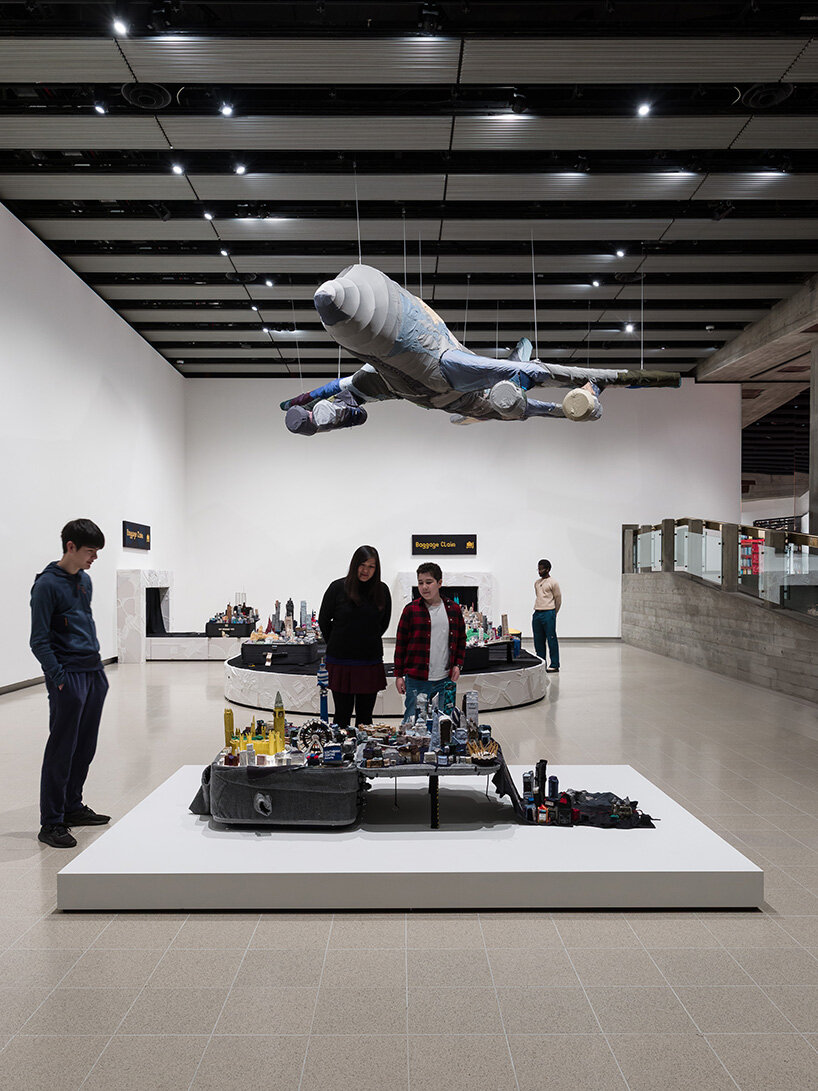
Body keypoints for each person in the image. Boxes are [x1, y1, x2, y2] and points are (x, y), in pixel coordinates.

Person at [30, 519, 111, 848]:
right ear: (71, 547)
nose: (94, 558)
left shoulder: (85, 581)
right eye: (91, 551)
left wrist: (98, 670)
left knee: (85, 746)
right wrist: (60, 678)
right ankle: (51, 822)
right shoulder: (46, 586)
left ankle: (72, 807)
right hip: (69, 676)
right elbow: (38, 641)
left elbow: (82, 624)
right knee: (62, 748)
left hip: (93, 671)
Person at [318, 545, 392, 729]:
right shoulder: (337, 588)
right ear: (354, 564)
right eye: (362, 564)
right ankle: (339, 755)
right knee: (341, 716)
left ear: (377, 569)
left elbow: (383, 624)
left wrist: (365, 639)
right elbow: (323, 620)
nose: (365, 570)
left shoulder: (382, 590)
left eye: (371, 566)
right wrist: (337, 641)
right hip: (341, 660)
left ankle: (364, 755)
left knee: (365, 718)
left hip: (369, 660)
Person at [394, 562, 467, 723]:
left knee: (444, 724)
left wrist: (458, 665)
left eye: (429, 582)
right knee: (412, 723)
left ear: (439, 583)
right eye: (420, 583)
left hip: (445, 680)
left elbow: (461, 639)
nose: (424, 587)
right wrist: (399, 675)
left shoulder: (453, 609)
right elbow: (401, 644)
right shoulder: (410, 610)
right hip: (416, 679)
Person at [533, 558, 561, 673]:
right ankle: (541, 663)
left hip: (549, 612)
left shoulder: (553, 582)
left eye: (542, 569)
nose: (539, 571)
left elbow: (558, 598)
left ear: (548, 569)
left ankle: (554, 664)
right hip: (537, 613)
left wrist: (553, 613)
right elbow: (539, 596)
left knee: (551, 639)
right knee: (538, 640)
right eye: (538, 569)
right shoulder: (537, 583)